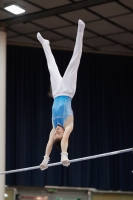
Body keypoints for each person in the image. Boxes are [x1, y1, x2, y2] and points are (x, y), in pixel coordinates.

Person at [37, 19, 85, 170]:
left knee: (51, 66)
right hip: (68, 91)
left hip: (57, 92)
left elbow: (50, 142)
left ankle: (45, 44)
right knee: (74, 61)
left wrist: (45, 160)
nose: (57, 131)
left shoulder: (53, 128)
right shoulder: (68, 125)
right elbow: (64, 139)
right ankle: (80, 30)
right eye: (59, 133)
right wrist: (64, 155)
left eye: (55, 133)